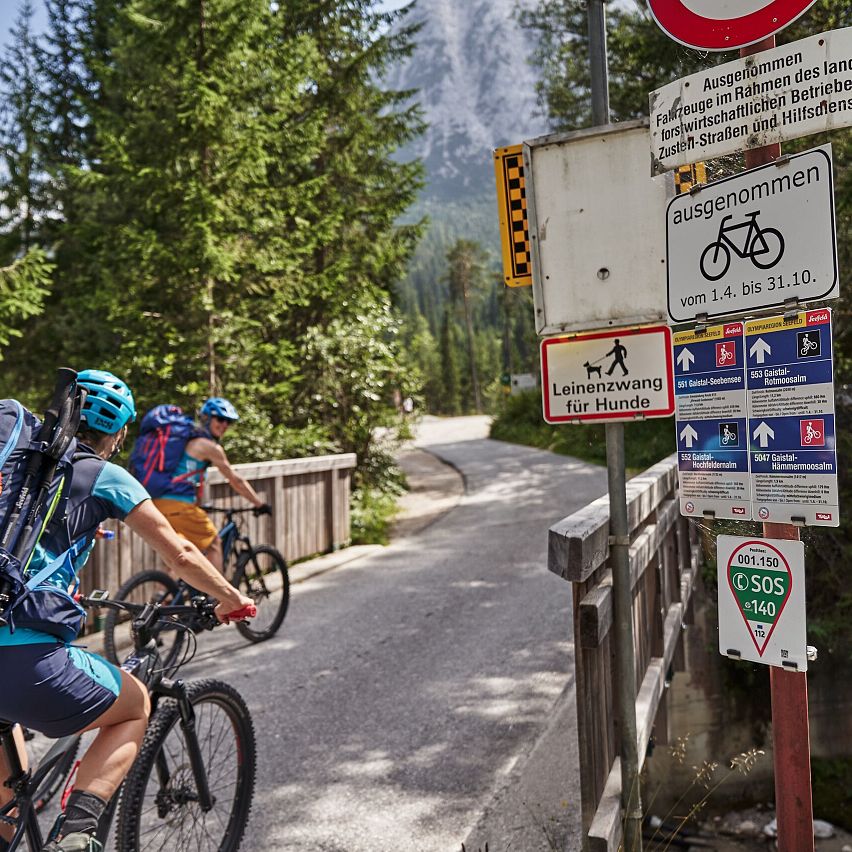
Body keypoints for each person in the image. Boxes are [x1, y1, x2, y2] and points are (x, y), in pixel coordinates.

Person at [0, 371, 254, 852]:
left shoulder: (19, 462)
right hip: (24, 662)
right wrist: (230, 599)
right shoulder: (106, 475)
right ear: (116, 433)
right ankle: (76, 834)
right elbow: (179, 554)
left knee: (11, 802)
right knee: (136, 704)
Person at [150, 397, 270, 572]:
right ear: (207, 418)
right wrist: (260, 504)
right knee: (214, 544)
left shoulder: (184, 441)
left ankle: (163, 595)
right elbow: (235, 480)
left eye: (228, 421)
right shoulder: (210, 447)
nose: (224, 425)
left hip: (158, 503)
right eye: (220, 419)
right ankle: (218, 598)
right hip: (179, 505)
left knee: (177, 551)